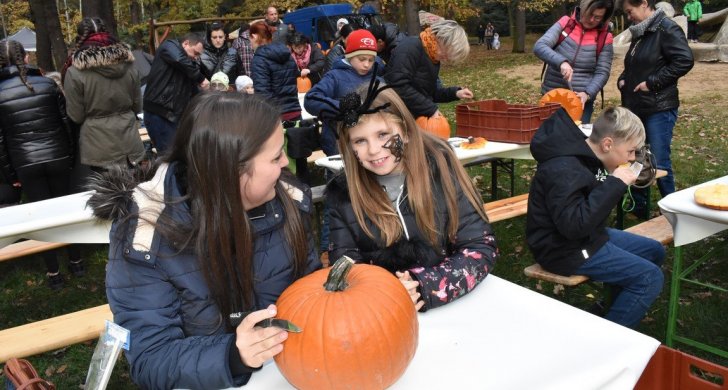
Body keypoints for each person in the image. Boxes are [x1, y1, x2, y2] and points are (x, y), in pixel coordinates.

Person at [87, 92, 321, 389]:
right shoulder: (146, 237)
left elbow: (311, 290)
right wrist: (232, 355)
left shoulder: (288, 200)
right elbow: (150, 358)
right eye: (276, 157)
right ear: (230, 171)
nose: (286, 162)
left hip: (294, 371)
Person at [325, 83, 498, 311]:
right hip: (379, 314)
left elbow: (479, 247)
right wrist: (386, 291)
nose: (374, 149)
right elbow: (345, 267)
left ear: (405, 133)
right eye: (360, 141)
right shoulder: (344, 196)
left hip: (452, 310)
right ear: (349, 147)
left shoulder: (442, 172)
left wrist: (423, 285)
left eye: (383, 134)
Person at [526, 106, 665, 328]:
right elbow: (573, 226)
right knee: (649, 278)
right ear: (607, 144)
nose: (632, 158)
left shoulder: (590, 156)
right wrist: (615, 183)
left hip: (588, 236)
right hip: (562, 249)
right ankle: (606, 341)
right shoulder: (564, 168)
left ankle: (609, 305)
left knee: (654, 250)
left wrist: (616, 178)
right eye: (630, 151)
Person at [0, 40, 83, 289]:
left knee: (40, 217)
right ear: (25, 58)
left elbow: (1, 142)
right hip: (56, 157)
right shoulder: (48, 84)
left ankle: (54, 273)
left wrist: (10, 173)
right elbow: (65, 123)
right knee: (65, 213)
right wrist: (68, 155)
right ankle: (76, 260)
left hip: (26, 163)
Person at [618, 0, 693, 218]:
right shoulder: (641, 32)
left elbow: (684, 60)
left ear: (643, 4)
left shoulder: (667, 29)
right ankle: (640, 207)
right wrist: (623, 79)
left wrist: (652, 83)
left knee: (658, 158)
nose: (629, 16)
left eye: (629, 11)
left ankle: (671, 209)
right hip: (637, 106)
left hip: (659, 106)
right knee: (639, 157)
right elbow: (633, 66)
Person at [64, 17, 146, 172]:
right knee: (134, 190)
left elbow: (76, 116)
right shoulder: (129, 66)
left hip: (99, 145)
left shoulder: (74, 72)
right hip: (129, 140)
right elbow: (137, 106)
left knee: (108, 193)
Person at [534, 0, 615, 124]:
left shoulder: (605, 37)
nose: (592, 20)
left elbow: (602, 72)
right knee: (549, 139)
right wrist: (561, 62)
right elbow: (540, 46)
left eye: (598, 17)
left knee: (576, 140)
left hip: (580, 102)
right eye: (589, 14)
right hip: (552, 97)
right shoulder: (565, 23)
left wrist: (587, 94)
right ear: (582, 8)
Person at [383, 19, 473, 121]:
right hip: (398, 116)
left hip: (416, 117)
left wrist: (455, 93)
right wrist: (430, 109)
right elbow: (398, 85)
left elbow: (430, 92)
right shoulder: (411, 47)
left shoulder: (433, 57)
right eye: (447, 53)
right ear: (442, 39)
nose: (447, 59)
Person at [143, 33, 209, 153]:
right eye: (195, 53)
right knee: (168, 155)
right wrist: (201, 78)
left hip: (173, 116)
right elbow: (179, 59)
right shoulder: (168, 46)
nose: (196, 58)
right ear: (186, 43)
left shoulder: (188, 66)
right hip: (159, 114)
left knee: (178, 155)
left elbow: (193, 91)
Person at [249, 21, 300, 122]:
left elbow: (262, 93)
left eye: (249, 39)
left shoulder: (259, 59)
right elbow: (295, 75)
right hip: (294, 110)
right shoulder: (286, 53)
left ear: (254, 36)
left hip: (275, 116)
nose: (250, 42)